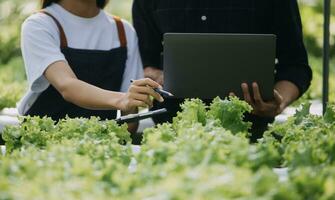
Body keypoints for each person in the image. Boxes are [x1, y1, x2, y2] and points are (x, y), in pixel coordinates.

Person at [132, 0, 313, 141]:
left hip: (249, 133)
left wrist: (277, 103)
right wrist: (157, 75)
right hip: (172, 131)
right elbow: (144, 63)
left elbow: (295, 67)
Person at [18, 0, 164, 133]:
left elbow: (130, 126)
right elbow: (67, 86)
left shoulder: (124, 31)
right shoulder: (40, 24)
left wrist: (131, 104)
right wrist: (122, 100)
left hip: (99, 147)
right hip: (45, 143)